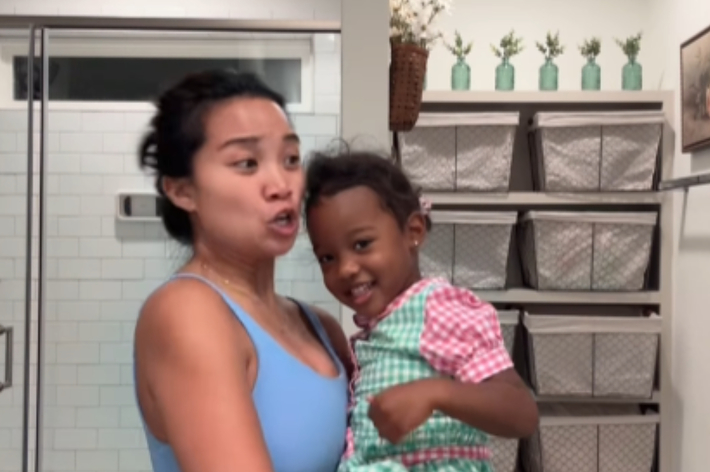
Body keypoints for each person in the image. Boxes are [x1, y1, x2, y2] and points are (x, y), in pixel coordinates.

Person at [133, 70, 353, 472]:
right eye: (247, 163)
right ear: (183, 190)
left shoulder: (322, 328)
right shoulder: (186, 312)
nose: (281, 184)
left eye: (290, 159)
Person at [304, 150, 539, 472]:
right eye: (327, 258)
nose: (345, 268)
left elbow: (521, 412)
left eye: (362, 244)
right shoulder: (378, 330)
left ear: (413, 231)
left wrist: (437, 393)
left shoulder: (439, 309)